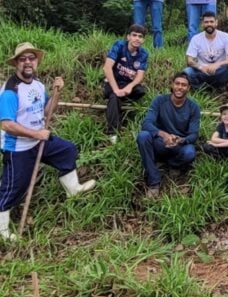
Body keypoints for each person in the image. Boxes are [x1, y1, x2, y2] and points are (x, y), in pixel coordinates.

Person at [1, 43, 96, 240]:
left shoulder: (37, 85)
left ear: (36, 61)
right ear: (16, 64)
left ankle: (73, 189)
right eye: (23, 59)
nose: (28, 62)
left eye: (31, 58)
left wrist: (57, 93)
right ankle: (2, 230)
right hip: (18, 147)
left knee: (67, 150)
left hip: (39, 141)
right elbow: (6, 124)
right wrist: (36, 135)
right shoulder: (11, 91)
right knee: (14, 186)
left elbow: (45, 112)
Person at [137, 72, 201, 198]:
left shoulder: (193, 107)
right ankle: (154, 182)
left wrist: (180, 140)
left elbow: (193, 134)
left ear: (188, 88)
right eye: (177, 83)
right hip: (160, 143)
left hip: (178, 146)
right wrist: (163, 135)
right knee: (143, 136)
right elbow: (147, 123)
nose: (180, 87)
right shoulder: (159, 101)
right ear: (172, 85)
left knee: (190, 152)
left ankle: (173, 165)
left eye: (184, 85)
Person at [183, 12, 228, 107]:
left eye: (211, 21)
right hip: (203, 73)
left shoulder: (225, 36)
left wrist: (218, 64)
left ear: (216, 23)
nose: (209, 24)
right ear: (202, 24)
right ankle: (201, 92)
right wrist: (200, 67)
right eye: (206, 22)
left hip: (220, 72)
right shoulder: (196, 39)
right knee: (186, 72)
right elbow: (189, 60)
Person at [102, 25, 149, 143]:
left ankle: (121, 99)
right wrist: (116, 89)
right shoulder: (119, 46)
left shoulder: (143, 53)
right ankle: (112, 133)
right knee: (114, 96)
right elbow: (107, 68)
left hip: (127, 84)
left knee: (140, 91)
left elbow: (140, 75)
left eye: (140, 36)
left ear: (143, 40)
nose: (137, 39)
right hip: (113, 81)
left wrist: (130, 86)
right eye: (134, 35)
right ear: (128, 37)